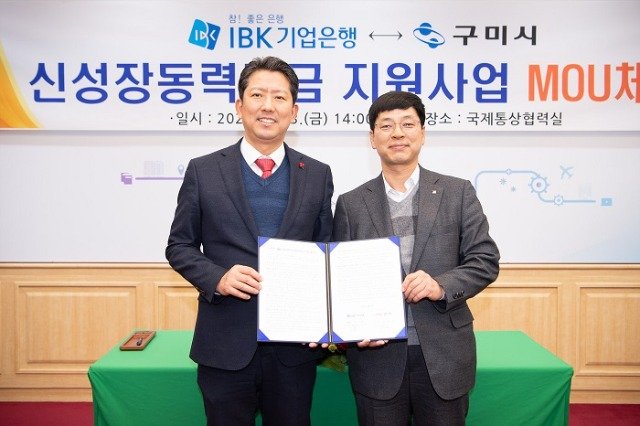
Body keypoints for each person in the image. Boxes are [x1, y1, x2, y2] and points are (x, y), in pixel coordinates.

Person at [166, 56, 334, 425]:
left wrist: (327, 319)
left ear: (294, 111)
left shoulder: (317, 174)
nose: (268, 106)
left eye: (279, 97)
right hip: (224, 342)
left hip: (294, 348)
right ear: (240, 106)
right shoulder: (203, 170)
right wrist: (218, 278)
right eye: (257, 95)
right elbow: (179, 246)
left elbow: (326, 255)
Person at [332, 91, 500, 425]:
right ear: (372, 138)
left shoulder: (457, 192)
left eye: (408, 124)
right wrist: (350, 327)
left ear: (422, 133)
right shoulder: (351, 203)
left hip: (443, 353)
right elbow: (339, 277)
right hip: (376, 356)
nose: (397, 133)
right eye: (386, 126)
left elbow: (485, 259)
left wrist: (440, 285)